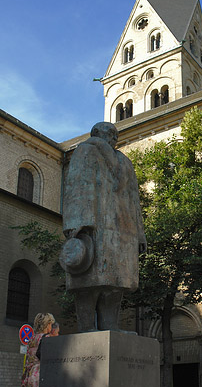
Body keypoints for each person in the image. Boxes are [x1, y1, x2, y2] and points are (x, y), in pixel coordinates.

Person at [60, 122, 146, 332]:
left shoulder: (125, 161)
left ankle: (110, 328)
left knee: (115, 283)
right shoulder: (85, 150)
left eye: (116, 134)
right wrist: (77, 223)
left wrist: (140, 234)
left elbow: (134, 198)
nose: (114, 137)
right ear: (96, 133)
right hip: (94, 228)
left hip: (122, 232)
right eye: (109, 133)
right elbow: (76, 187)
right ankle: (87, 328)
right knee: (88, 283)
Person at [21, 313, 55, 387]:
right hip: (39, 376)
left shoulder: (32, 338)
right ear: (48, 324)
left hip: (28, 376)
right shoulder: (47, 338)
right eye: (51, 324)